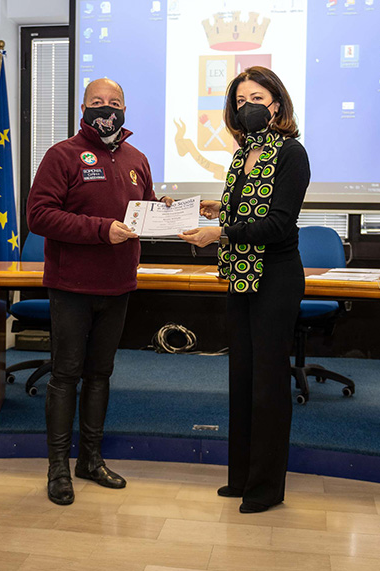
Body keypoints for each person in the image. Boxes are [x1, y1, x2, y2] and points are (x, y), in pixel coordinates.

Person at [27, 78, 173, 506]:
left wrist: (163, 211)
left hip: (118, 284)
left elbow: (141, 214)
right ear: (83, 108)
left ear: (125, 109)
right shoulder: (62, 155)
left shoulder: (137, 158)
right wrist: (100, 230)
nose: (106, 108)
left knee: (100, 375)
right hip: (71, 286)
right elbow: (39, 216)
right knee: (65, 375)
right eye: (97, 101)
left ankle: (90, 460)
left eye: (114, 102)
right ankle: (57, 468)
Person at [179, 67, 309, 514]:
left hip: (275, 277)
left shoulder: (292, 154)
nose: (247, 107)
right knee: (243, 379)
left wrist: (219, 233)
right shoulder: (242, 154)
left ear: (277, 103)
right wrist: (217, 208)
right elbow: (246, 210)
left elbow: (277, 224)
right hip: (240, 275)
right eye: (239, 101)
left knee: (269, 383)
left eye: (256, 98)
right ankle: (242, 478)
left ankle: (266, 488)